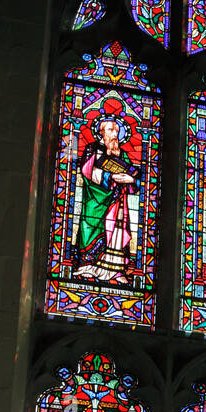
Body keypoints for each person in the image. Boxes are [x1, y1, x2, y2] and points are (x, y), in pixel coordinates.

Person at [74, 111, 139, 284]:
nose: (115, 134)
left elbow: (133, 176)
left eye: (117, 131)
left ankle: (116, 270)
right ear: (101, 132)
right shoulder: (92, 149)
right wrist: (109, 178)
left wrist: (131, 179)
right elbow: (87, 170)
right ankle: (87, 266)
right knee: (91, 227)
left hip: (117, 200)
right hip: (95, 199)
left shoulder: (121, 154)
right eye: (111, 130)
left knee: (117, 232)